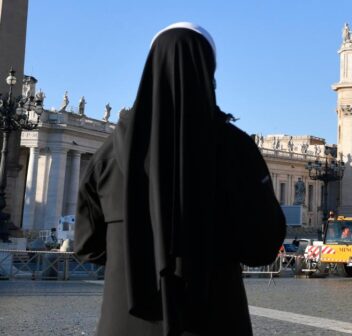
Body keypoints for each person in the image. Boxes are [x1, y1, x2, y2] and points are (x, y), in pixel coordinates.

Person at [75, 22, 286, 336]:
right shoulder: (236, 150)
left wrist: (134, 256)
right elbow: (263, 247)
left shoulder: (107, 155)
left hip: (125, 321)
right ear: (209, 72)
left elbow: (86, 245)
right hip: (215, 319)